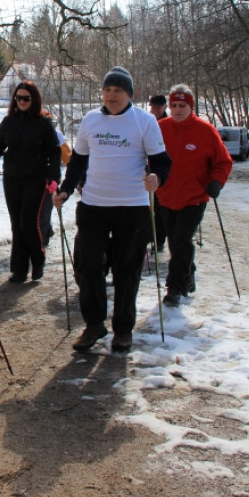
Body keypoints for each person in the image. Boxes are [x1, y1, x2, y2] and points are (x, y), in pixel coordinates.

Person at [53, 66, 171, 354]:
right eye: (107, 90)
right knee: (86, 264)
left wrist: (157, 178)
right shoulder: (91, 120)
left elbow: (162, 161)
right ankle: (94, 324)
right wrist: (66, 189)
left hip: (132, 207)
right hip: (94, 205)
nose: (111, 95)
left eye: (117, 90)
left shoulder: (144, 121)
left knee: (126, 271)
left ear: (129, 94)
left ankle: (123, 330)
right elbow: (78, 161)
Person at [155, 85, 233, 308]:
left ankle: (174, 288)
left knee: (181, 239)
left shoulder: (206, 131)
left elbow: (223, 161)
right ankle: (188, 273)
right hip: (166, 195)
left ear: (191, 107)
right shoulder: (159, 128)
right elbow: (146, 155)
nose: (178, 110)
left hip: (195, 196)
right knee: (174, 242)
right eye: (174, 106)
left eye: (183, 106)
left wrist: (216, 181)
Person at [0, 82, 60, 282]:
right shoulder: (9, 121)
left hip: (36, 178)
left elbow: (54, 152)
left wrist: (53, 177)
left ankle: (38, 260)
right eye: (18, 98)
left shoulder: (43, 123)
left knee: (28, 223)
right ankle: (19, 268)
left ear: (34, 100)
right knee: (16, 224)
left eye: (26, 98)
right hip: (12, 177)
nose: (21, 102)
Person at [148, 94, 170, 253]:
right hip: (152, 172)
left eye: (158, 107)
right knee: (156, 209)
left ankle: (166, 238)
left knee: (164, 209)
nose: (154, 110)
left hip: (165, 171)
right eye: (152, 106)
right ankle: (158, 239)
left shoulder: (168, 124)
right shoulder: (148, 122)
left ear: (164, 107)